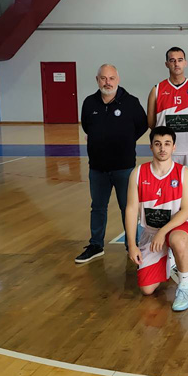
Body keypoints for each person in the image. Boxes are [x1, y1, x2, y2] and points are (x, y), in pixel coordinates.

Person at [76, 64, 147, 264]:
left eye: (111, 78)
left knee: (128, 207)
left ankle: (132, 245)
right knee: (98, 207)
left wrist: (126, 139)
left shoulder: (131, 102)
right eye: (103, 78)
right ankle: (96, 245)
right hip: (97, 168)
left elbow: (142, 125)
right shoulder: (89, 103)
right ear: (97, 80)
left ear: (118, 79)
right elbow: (87, 126)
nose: (107, 82)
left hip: (124, 167)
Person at [147, 47, 188, 259]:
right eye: (172, 60)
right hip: (167, 155)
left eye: (180, 60)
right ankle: (166, 238)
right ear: (166, 64)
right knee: (168, 198)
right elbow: (151, 122)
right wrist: (167, 144)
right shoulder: (157, 89)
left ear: (185, 63)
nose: (176, 63)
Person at [124, 127, 188, 312]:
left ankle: (185, 288)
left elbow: (187, 210)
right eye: (157, 144)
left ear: (173, 147)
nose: (162, 148)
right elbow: (131, 209)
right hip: (151, 231)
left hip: (178, 226)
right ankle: (169, 258)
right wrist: (131, 244)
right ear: (151, 147)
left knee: (177, 240)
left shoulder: (184, 173)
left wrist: (163, 232)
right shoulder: (138, 173)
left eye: (167, 144)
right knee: (147, 289)